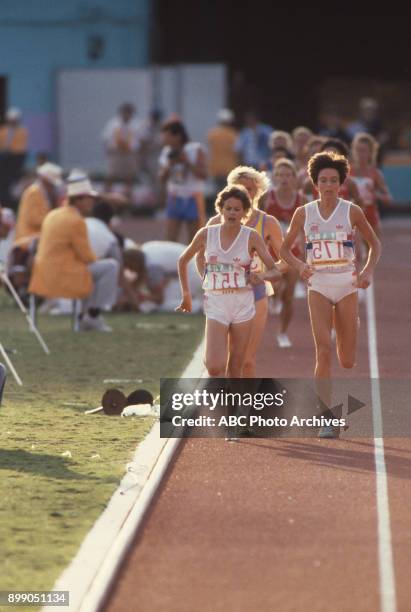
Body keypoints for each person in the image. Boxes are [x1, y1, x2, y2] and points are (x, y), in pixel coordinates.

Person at [280, 151, 381, 438]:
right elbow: (285, 249)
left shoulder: (352, 211)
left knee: (347, 360)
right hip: (318, 284)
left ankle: (352, 326)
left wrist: (368, 271)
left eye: (333, 180)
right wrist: (300, 266)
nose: (327, 185)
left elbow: (375, 245)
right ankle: (327, 416)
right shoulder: (304, 213)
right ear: (315, 183)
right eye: (323, 180)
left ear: (341, 184)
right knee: (322, 352)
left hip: (347, 284)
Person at [177, 184, 281, 378]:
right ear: (220, 209)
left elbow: (276, 271)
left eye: (237, 209)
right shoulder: (207, 234)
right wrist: (186, 295)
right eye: (228, 208)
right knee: (214, 366)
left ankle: (232, 407)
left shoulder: (252, 237)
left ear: (244, 213)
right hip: (217, 303)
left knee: (236, 368)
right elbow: (183, 260)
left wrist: (261, 276)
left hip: (243, 304)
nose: (232, 213)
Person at [29, 171, 119, 332]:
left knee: (93, 271)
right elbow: (87, 257)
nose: (92, 202)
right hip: (62, 274)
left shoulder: (54, 214)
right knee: (110, 266)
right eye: (89, 198)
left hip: (42, 273)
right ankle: (92, 315)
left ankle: (86, 317)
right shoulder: (75, 220)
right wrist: (96, 258)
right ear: (79, 199)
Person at [264, 159, 305, 348]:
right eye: (279, 175)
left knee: (288, 297)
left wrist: (306, 252)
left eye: (288, 175)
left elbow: (305, 229)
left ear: (294, 178)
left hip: (293, 252)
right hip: (271, 251)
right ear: (274, 177)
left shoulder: (300, 199)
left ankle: (282, 332)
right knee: (276, 284)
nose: (284, 179)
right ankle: (273, 297)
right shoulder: (267, 197)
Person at [118, 242, 202, 313]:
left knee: (163, 304)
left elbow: (159, 298)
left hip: (194, 273)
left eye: (129, 267)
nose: (131, 270)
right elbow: (140, 278)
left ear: (134, 263)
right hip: (195, 263)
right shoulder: (145, 249)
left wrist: (141, 297)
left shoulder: (152, 267)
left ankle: (198, 305)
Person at [158, 119, 207, 243]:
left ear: (177, 136)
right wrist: (170, 164)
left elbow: (204, 175)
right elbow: (161, 178)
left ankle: (192, 262)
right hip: (175, 197)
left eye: (167, 136)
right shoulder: (167, 152)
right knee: (170, 238)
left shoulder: (196, 149)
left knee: (195, 239)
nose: (164, 139)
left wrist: (187, 161)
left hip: (193, 198)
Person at [350, 132, 393, 237]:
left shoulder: (375, 173)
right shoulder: (347, 171)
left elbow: (388, 199)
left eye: (364, 150)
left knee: (374, 250)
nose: (360, 154)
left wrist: (375, 194)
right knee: (356, 251)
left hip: (370, 216)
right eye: (357, 150)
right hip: (350, 215)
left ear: (370, 153)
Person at [14, 162, 63, 249]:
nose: (52, 187)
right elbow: (34, 219)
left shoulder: (42, 193)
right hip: (28, 240)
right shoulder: (34, 192)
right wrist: (54, 220)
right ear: (44, 180)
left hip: (35, 239)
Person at [102, 103, 145, 191]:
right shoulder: (113, 124)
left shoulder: (137, 125)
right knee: (111, 175)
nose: (126, 114)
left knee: (129, 177)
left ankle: (128, 199)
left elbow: (141, 140)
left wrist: (138, 154)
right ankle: (106, 195)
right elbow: (106, 138)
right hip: (116, 153)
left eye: (128, 112)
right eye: (124, 112)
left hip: (130, 154)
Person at [0, 108, 29, 206]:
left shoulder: (22, 131)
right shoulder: (3, 131)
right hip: (4, 162)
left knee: (14, 188)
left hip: (15, 161)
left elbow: (20, 149)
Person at [207, 108, 239, 193]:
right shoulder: (233, 134)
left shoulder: (212, 134)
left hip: (215, 168)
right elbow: (237, 151)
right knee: (228, 193)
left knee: (217, 193)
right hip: (229, 168)